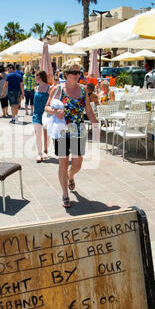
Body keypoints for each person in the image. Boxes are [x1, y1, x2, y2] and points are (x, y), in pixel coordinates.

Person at [44, 61, 97, 208]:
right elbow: (46, 107)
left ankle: (70, 176)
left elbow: (88, 109)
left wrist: (95, 124)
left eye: (78, 72)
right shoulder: (57, 89)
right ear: (66, 74)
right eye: (74, 72)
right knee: (62, 162)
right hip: (61, 131)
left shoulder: (83, 89)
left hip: (77, 130)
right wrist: (55, 112)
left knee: (77, 163)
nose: (77, 75)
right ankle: (65, 193)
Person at [32, 71, 49, 163]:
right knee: (38, 133)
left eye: (36, 76)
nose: (35, 78)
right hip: (37, 114)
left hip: (46, 114)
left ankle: (46, 151)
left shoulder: (49, 88)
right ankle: (39, 153)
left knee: (46, 134)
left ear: (40, 77)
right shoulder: (36, 88)